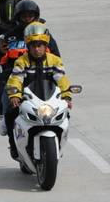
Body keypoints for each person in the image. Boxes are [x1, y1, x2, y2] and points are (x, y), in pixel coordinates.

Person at [4, 22, 72, 159]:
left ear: (46, 45)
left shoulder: (55, 61)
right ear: (28, 46)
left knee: (67, 115)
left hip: (49, 98)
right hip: (28, 99)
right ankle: (13, 144)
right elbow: (16, 78)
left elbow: (62, 79)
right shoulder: (21, 61)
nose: (37, 49)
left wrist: (67, 96)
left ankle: (59, 144)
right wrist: (15, 95)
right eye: (33, 46)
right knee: (10, 114)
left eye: (40, 45)